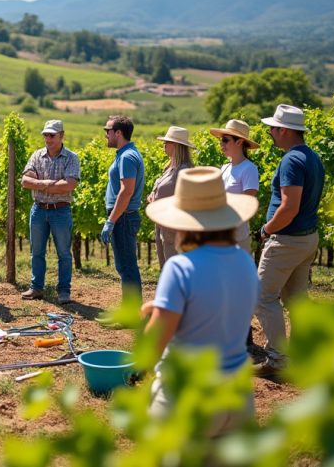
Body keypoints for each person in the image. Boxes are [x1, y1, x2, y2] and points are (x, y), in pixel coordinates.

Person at [142, 166, 259, 437]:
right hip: (237, 397)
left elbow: (156, 341)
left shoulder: (180, 267)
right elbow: (218, 309)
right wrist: (163, 307)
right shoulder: (245, 262)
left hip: (188, 395)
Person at [253, 104, 325, 378]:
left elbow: (289, 206)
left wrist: (267, 229)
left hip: (287, 241)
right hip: (307, 238)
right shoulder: (312, 157)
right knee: (296, 299)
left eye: (272, 128)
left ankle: (277, 360)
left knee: (262, 297)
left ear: (284, 130)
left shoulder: (292, 161)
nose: (270, 133)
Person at [20, 119, 80, 304]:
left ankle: (64, 292)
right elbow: (25, 181)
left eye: (52, 135)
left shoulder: (71, 157)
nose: (48, 138)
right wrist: (50, 184)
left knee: (63, 253)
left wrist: (39, 184)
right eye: (45, 135)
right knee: (36, 252)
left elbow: (69, 185)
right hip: (38, 209)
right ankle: (36, 288)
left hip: (61, 211)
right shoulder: (37, 155)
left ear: (61, 135)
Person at [99, 115, 145, 298]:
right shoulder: (125, 154)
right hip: (122, 216)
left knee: (127, 266)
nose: (106, 135)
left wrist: (111, 221)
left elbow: (126, 191)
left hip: (123, 217)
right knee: (124, 266)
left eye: (107, 131)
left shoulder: (127, 157)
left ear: (118, 133)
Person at [146, 126, 195, 267]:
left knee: (174, 269)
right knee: (166, 267)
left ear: (177, 146)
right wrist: (152, 197)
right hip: (163, 226)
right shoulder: (169, 168)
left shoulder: (184, 171)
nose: (164, 144)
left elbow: (188, 200)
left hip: (175, 229)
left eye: (167, 142)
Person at [209, 119, 260, 254]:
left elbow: (247, 203)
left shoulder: (249, 169)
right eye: (221, 140)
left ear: (239, 142)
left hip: (236, 236)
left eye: (225, 140)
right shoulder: (224, 168)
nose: (221, 144)